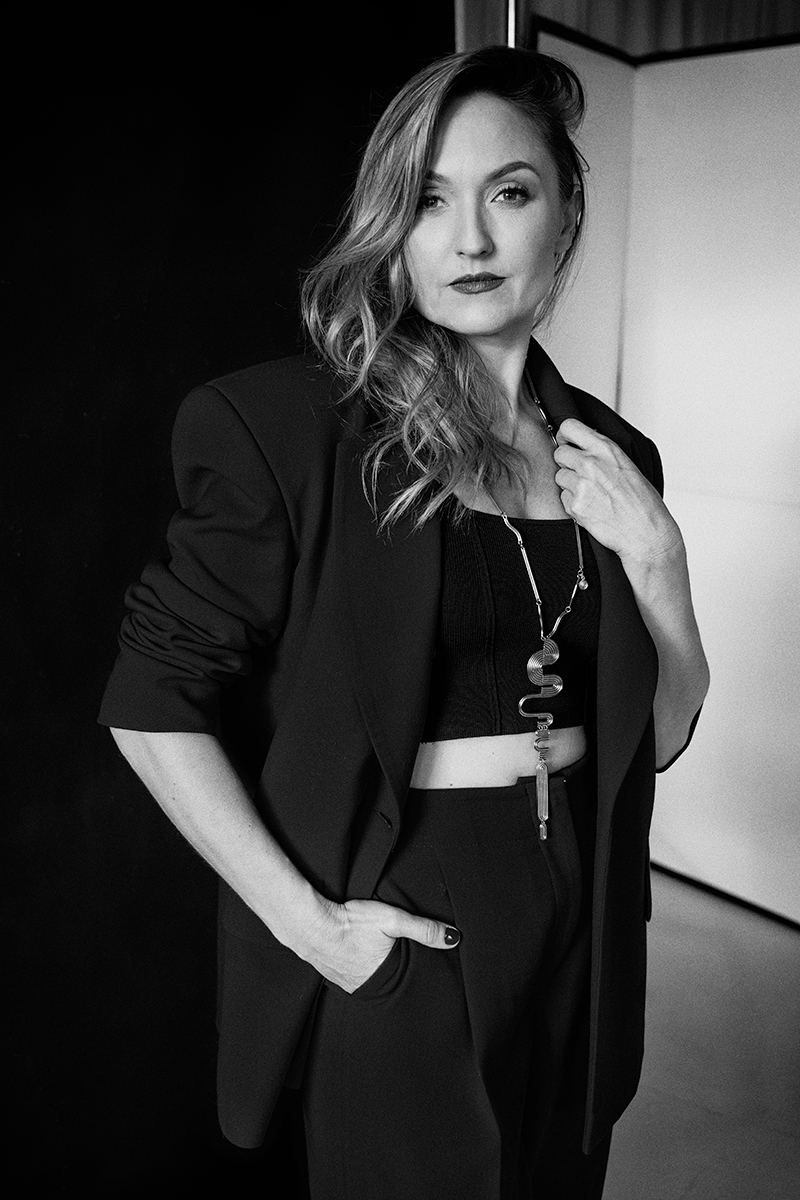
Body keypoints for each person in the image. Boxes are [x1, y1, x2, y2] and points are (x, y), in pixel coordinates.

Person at [99, 45, 709, 1200]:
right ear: (391, 227)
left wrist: (658, 562)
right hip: (411, 913)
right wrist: (314, 929)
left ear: (565, 213)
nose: (469, 239)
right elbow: (148, 702)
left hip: (579, 910)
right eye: (429, 201)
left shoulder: (614, 456)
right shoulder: (287, 428)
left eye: (508, 192)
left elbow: (658, 735)